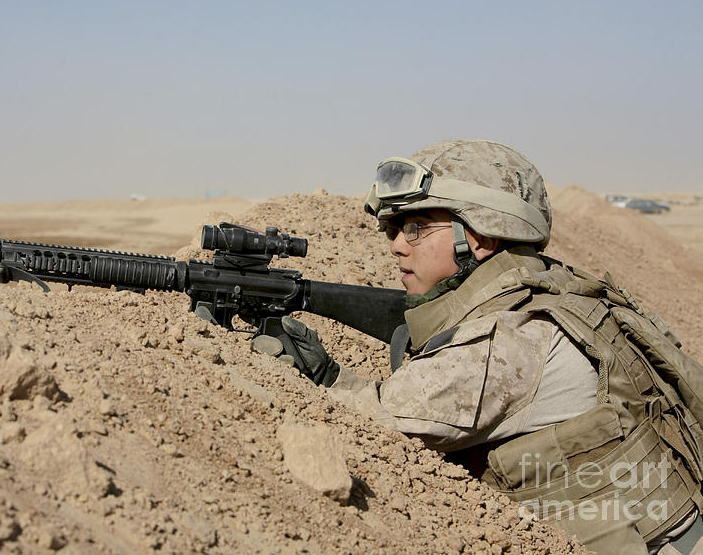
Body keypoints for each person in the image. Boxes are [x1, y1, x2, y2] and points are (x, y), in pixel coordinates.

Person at [275, 140, 703, 555]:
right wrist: (331, 375)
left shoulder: (511, 336)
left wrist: (321, 380)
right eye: (393, 228)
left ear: (480, 238)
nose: (397, 245)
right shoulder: (548, 289)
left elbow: (379, 427)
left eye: (416, 228)